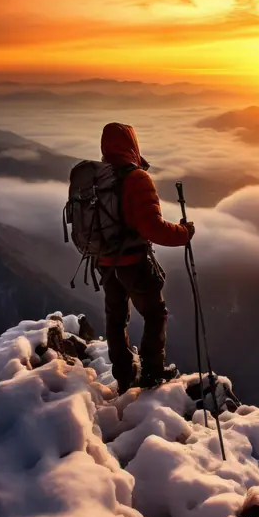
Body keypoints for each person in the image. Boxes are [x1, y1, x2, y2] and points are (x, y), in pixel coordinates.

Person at [98, 122, 195, 393]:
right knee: (155, 314)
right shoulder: (136, 179)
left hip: (105, 263)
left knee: (116, 319)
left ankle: (124, 376)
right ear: (132, 143)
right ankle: (152, 375)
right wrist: (185, 233)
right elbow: (153, 228)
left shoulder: (98, 179)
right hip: (133, 262)